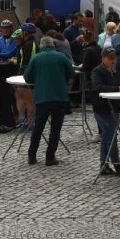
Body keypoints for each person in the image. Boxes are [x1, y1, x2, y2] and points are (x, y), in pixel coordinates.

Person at [19, 31, 73, 167]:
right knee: (55, 128)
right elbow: (71, 73)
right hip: (60, 97)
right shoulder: (62, 57)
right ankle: (50, 157)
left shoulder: (36, 58)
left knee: (38, 127)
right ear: (53, 45)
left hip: (42, 97)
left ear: (41, 46)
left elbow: (27, 78)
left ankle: (32, 155)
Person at [87, 45, 120, 177]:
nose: (113, 60)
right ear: (103, 58)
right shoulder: (97, 72)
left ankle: (103, 165)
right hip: (102, 109)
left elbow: (119, 84)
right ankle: (117, 164)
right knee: (111, 137)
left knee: (107, 137)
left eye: (114, 58)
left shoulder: (115, 71)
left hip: (114, 108)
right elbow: (97, 87)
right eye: (110, 58)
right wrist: (117, 89)